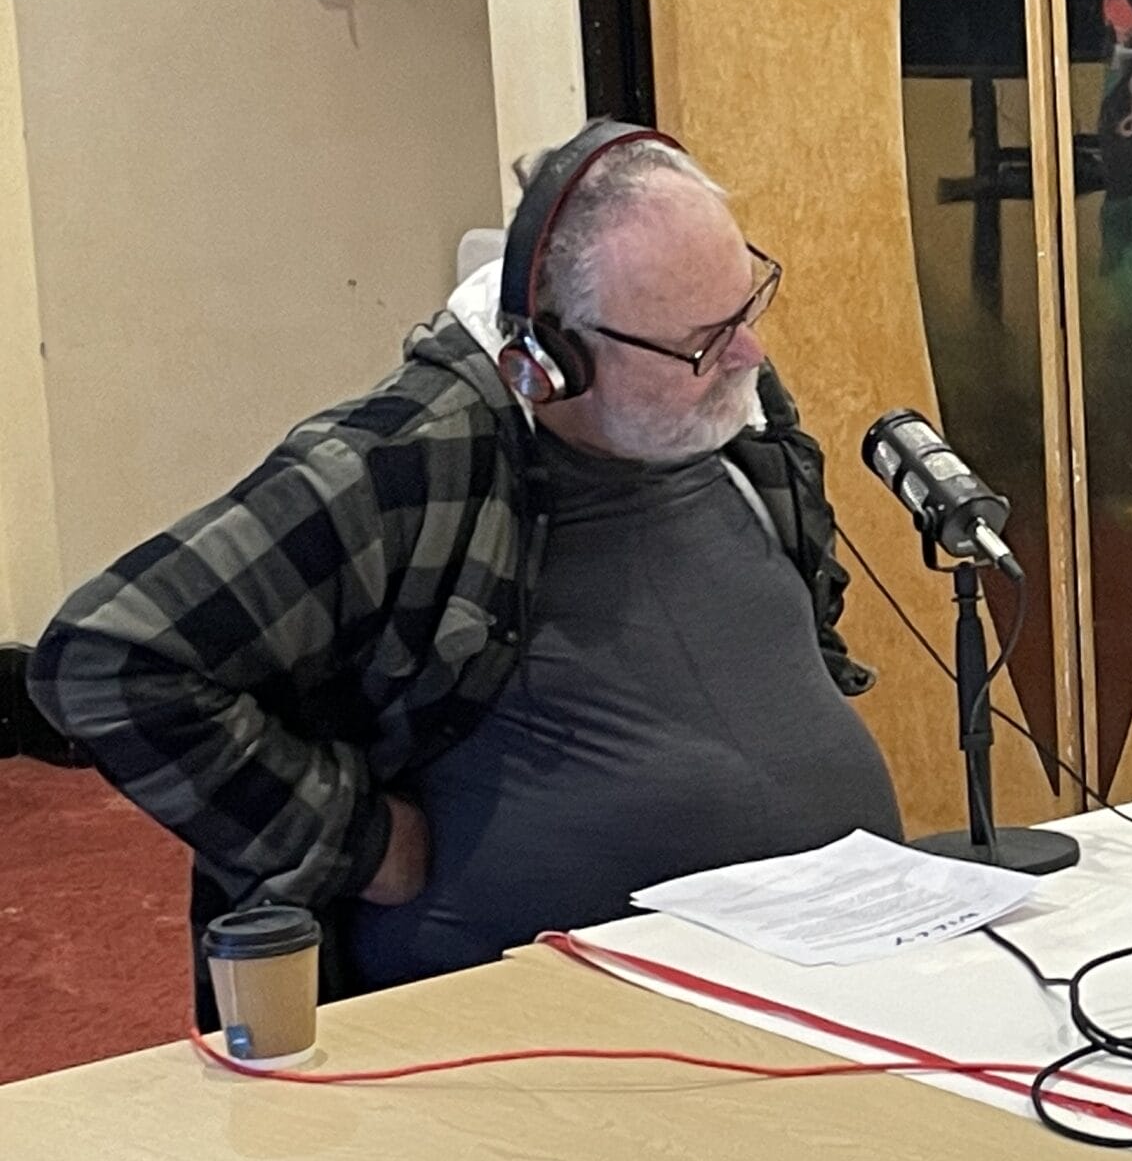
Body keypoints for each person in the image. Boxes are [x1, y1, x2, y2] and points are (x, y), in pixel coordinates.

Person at [31, 121, 903, 1028]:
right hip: (543, 1035)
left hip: (822, 966)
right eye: (702, 341)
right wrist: (359, 843)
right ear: (551, 362)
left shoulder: (728, 412)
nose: (748, 357)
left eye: (746, 310)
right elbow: (105, 658)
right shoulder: (406, 462)